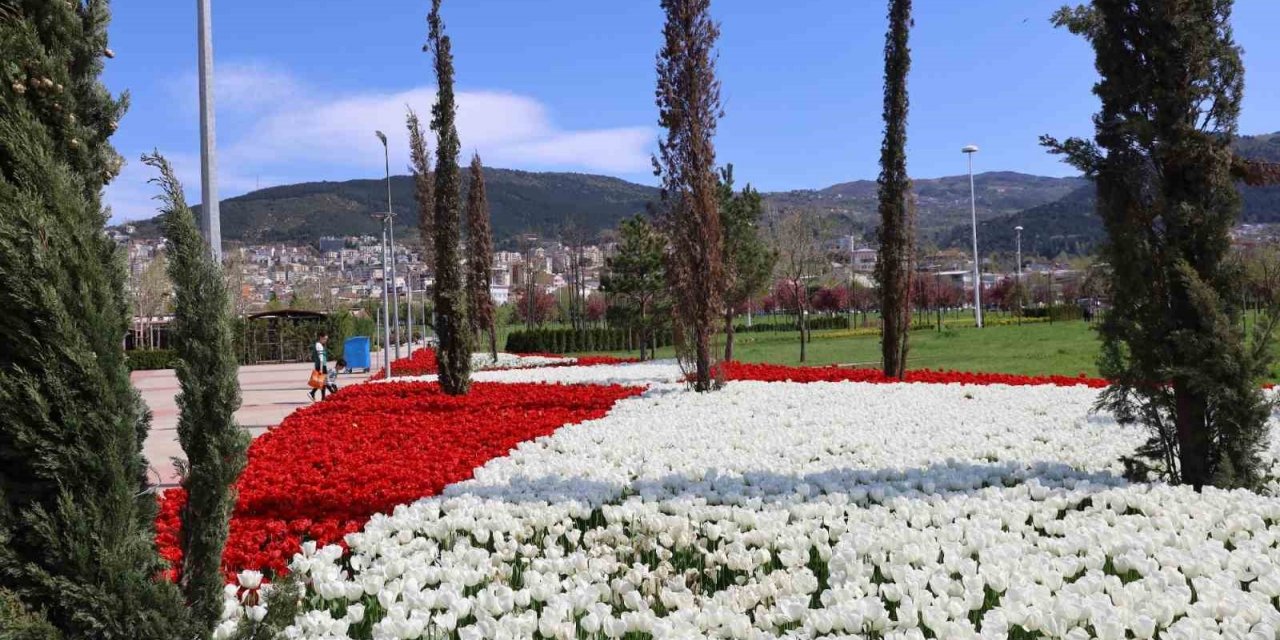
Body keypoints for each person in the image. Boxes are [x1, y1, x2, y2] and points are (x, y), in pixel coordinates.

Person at [308, 333, 329, 402]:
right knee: (322, 382)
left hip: (321, 365)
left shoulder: (319, 345)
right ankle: (314, 393)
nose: (325, 340)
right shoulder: (319, 345)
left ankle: (320, 396)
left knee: (323, 382)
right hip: (321, 366)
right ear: (320, 337)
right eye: (324, 339)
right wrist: (320, 369)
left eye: (326, 339)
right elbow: (321, 358)